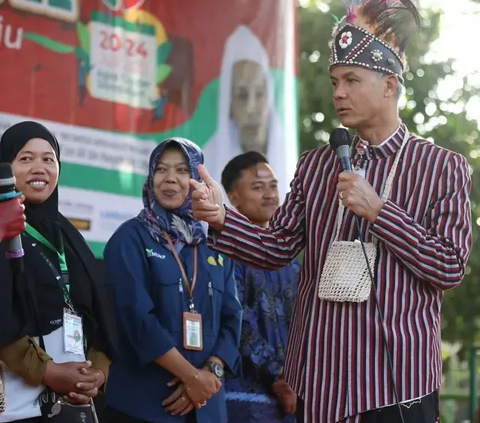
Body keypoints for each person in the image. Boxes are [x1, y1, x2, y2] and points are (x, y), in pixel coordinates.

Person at [189, 1, 473, 422]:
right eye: (335, 80)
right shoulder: (316, 164)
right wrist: (221, 218)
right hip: (320, 382)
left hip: (397, 384)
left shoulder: (442, 166)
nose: (338, 92)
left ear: (390, 86)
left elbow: (448, 266)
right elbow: (277, 248)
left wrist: (381, 212)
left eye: (352, 80)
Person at [103, 137, 242, 423]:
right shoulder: (129, 239)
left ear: (196, 178)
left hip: (207, 407)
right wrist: (191, 377)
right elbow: (138, 319)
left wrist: (210, 374)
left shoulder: (214, 243)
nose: (170, 180)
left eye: (181, 171)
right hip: (146, 405)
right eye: (161, 170)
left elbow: (233, 316)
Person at [0, 121, 115, 423]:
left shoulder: (69, 237)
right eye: (26, 159)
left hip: (75, 404)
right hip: (17, 407)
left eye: (48, 159)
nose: (39, 167)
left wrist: (96, 374)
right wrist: (48, 371)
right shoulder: (2, 232)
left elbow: (100, 315)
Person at [220, 152, 299, 422]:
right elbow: (239, 323)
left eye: (273, 185)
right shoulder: (223, 250)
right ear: (233, 198)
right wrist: (278, 376)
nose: (269, 194)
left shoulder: (291, 257)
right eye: (257, 187)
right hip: (243, 398)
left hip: (294, 394)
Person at [202, 25, 296, 202]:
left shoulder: (295, 162)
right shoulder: (206, 164)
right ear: (229, 104)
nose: (251, 107)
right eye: (242, 95)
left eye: (259, 93)